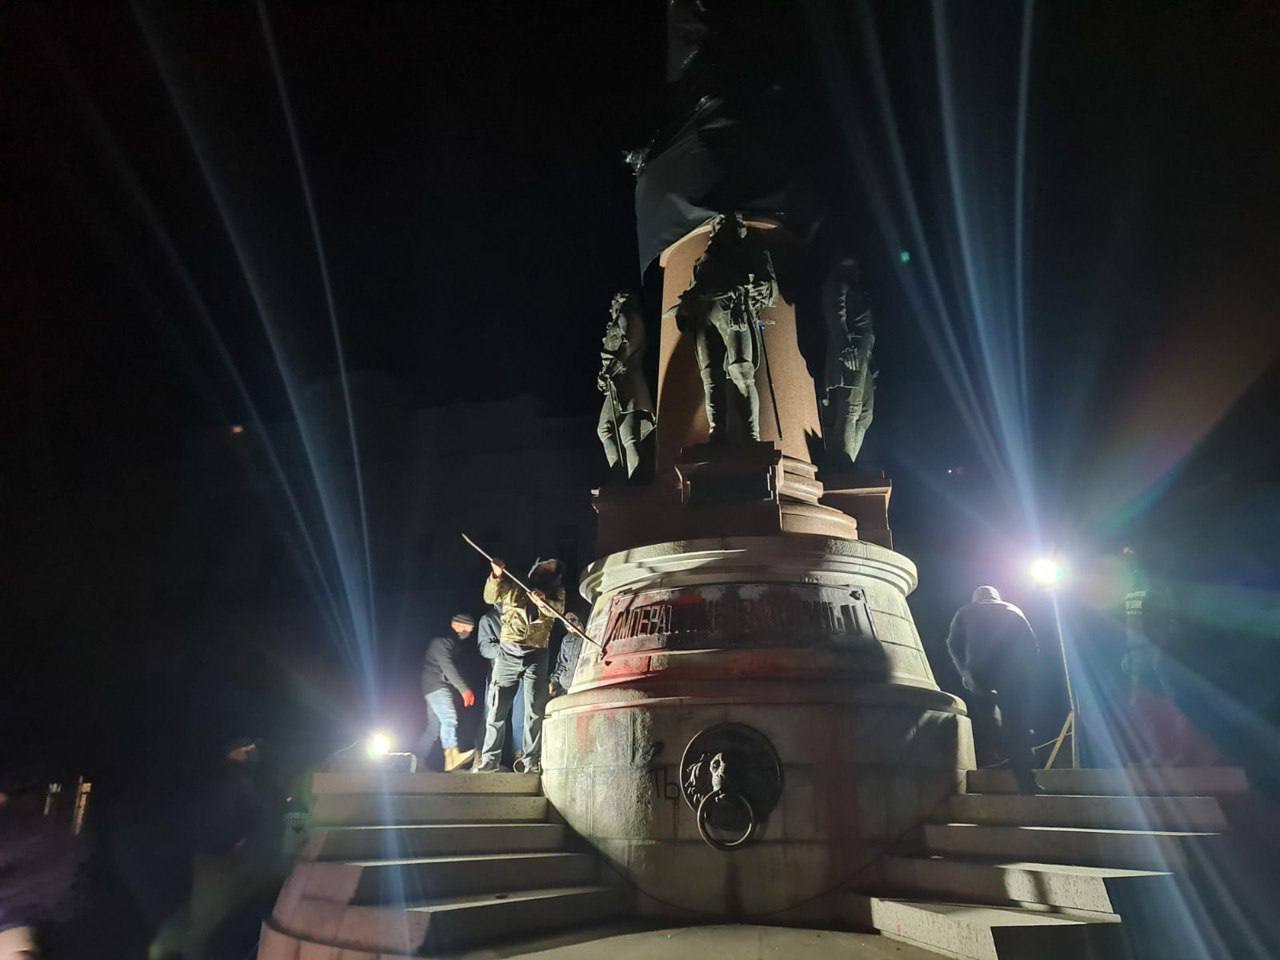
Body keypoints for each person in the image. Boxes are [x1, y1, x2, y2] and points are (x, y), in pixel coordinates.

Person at [946, 586, 1042, 794]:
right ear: (997, 597)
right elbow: (1031, 644)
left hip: (979, 672)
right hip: (1012, 673)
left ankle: (997, 757)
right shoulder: (1013, 609)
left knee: (987, 718)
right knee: (1016, 723)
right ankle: (1025, 779)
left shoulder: (966, 611)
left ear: (976, 598)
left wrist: (964, 671)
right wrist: (1028, 674)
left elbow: (952, 644)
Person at [475, 559, 566, 774]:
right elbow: (490, 597)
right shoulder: (514, 584)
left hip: (537, 654)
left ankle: (531, 760)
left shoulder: (556, 592)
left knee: (534, 709)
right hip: (508, 653)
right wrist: (496, 575)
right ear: (536, 567)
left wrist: (543, 602)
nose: (546, 572)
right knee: (497, 708)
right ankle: (490, 759)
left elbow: (558, 611)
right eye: (544, 567)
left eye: (551, 571)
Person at [420, 614, 479, 772]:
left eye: (471, 630)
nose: (468, 633)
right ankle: (451, 757)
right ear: (457, 625)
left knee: (433, 728)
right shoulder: (441, 642)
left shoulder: (449, 642)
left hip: (431, 687)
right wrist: (464, 689)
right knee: (449, 719)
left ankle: (415, 759)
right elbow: (448, 668)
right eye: (467, 628)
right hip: (437, 686)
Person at [476, 604, 525, 766]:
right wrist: (506, 649)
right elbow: (484, 648)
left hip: (522, 673)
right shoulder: (489, 619)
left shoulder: (520, 614)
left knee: (521, 716)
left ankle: (520, 756)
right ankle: (483, 756)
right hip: (500, 673)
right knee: (493, 715)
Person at [549, 612, 585, 698]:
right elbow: (562, 663)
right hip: (566, 685)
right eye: (566, 622)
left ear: (579, 621)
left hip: (581, 682)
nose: (570, 623)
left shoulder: (589, 636)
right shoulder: (566, 640)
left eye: (572, 620)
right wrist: (553, 681)